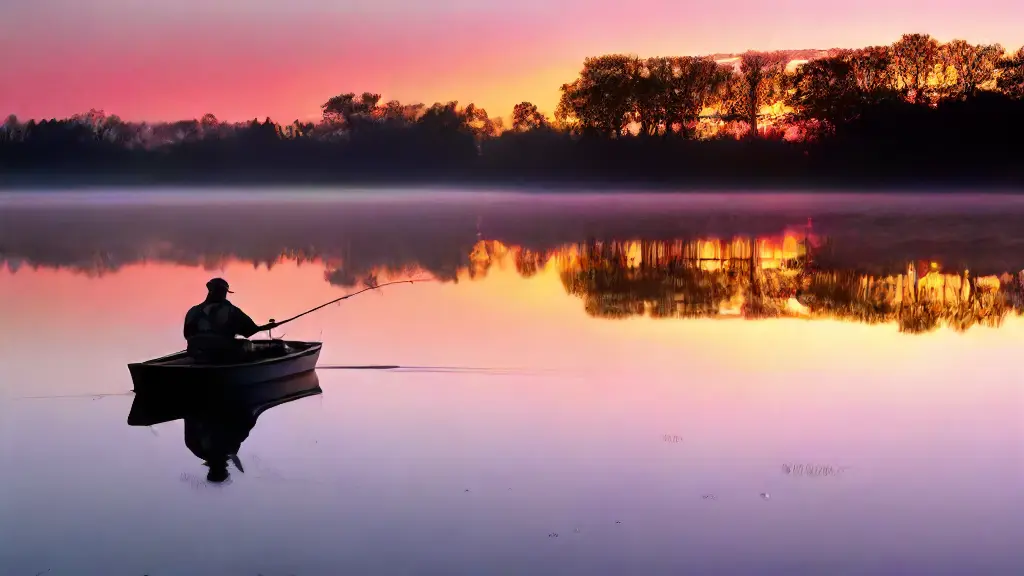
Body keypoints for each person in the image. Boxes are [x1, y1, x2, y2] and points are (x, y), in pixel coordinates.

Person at [183, 278, 276, 362]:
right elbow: (249, 330)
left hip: (197, 352)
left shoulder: (193, 311)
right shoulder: (231, 310)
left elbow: (187, 335)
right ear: (224, 292)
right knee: (246, 344)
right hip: (221, 353)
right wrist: (262, 328)